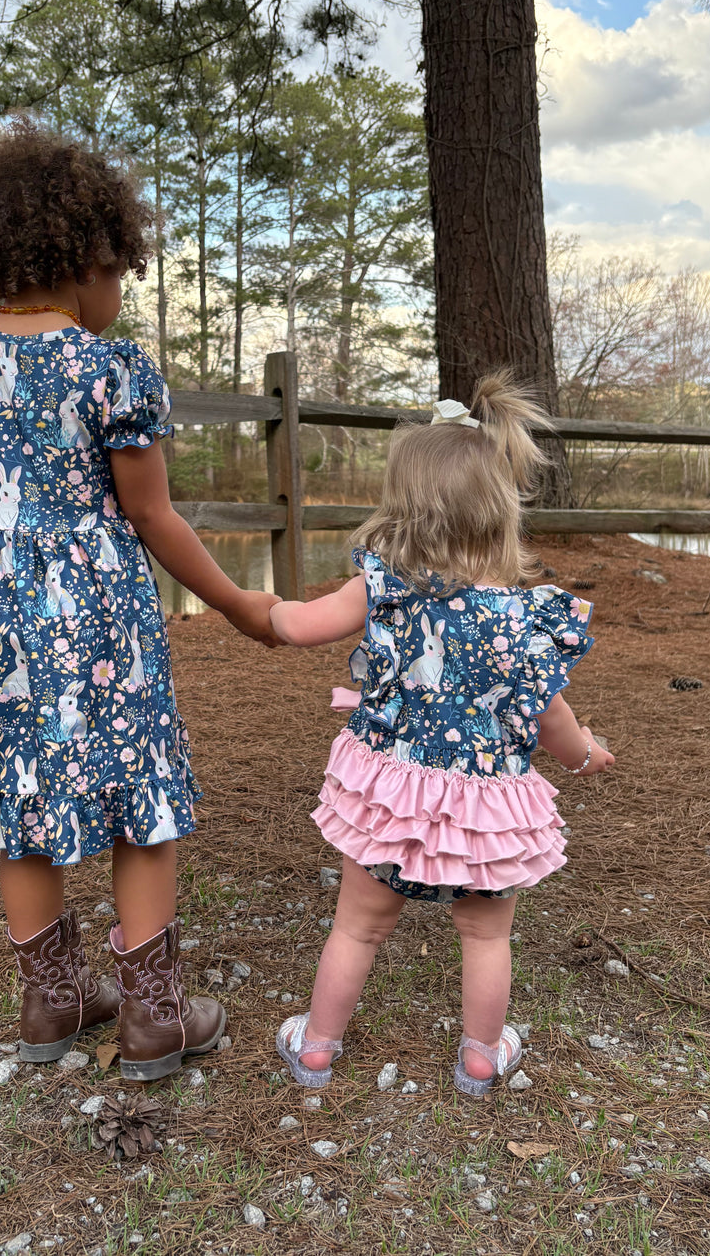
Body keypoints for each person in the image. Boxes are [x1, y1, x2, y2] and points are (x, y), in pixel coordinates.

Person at [0, 117, 279, 1080]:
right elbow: (153, 517)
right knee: (136, 799)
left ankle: (54, 1003)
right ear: (88, 255)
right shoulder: (112, 370)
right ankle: (154, 1017)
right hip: (99, 615)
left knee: (22, 805)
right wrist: (238, 602)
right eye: (121, 270)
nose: (121, 291)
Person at [269, 376, 614, 1095]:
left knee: (357, 927)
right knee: (486, 934)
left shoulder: (382, 588)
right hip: (484, 804)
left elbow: (297, 625)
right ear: (496, 514)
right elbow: (552, 719)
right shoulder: (520, 619)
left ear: (403, 505)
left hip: (391, 792)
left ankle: (318, 1048)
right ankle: (482, 1056)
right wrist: (585, 755)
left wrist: (254, 607)